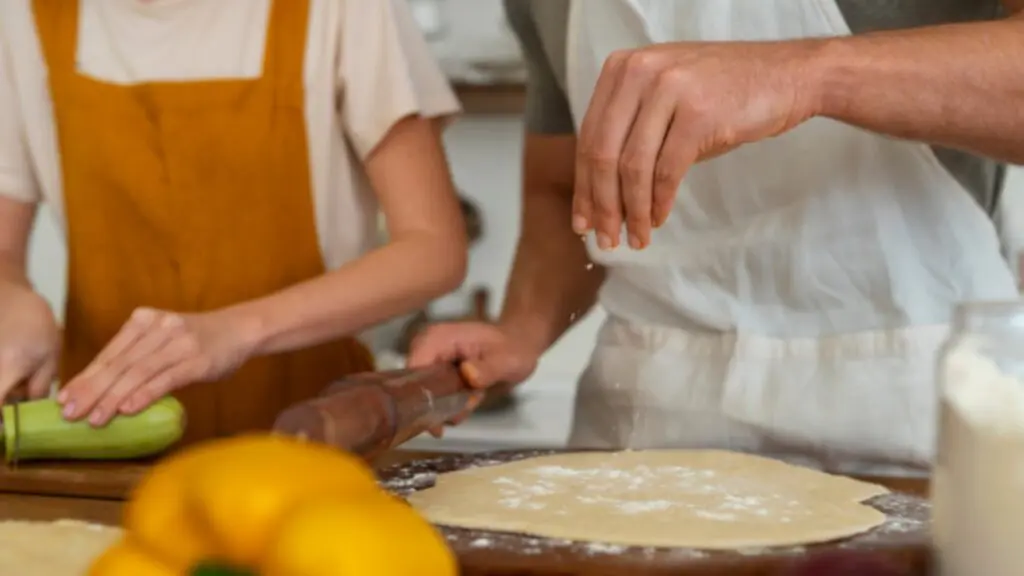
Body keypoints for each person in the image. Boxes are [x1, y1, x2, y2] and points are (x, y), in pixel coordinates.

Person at [410, 0, 1024, 475]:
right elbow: (565, 184)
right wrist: (522, 328)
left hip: (911, 421)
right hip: (644, 422)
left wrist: (810, 74)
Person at [0, 0, 468, 445]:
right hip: (99, 440)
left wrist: (236, 331)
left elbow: (433, 248)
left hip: (317, 433)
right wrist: (13, 298)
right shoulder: (24, 14)